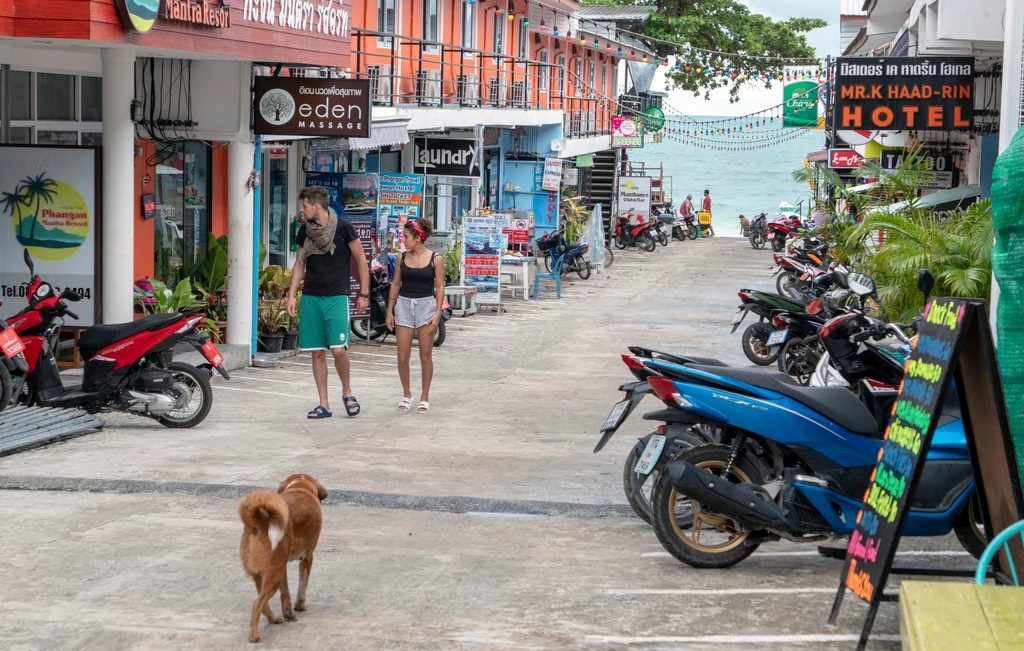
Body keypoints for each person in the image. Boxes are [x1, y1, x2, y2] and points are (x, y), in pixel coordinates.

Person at [287, 185, 370, 420]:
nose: (301, 210)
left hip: (337, 296)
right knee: (316, 353)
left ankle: (347, 392)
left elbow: (361, 260)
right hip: (312, 295)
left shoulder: (344, 228)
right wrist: (292, 295)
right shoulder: (305, 232)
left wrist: (363, 294)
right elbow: (299, 264)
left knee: (337, 350)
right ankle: (324, 404)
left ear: (316, 206)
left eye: (304, 205)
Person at [385, 217, 446, 414]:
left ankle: (424, 397)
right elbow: (395, 284)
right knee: (402, 356)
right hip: (404, 306)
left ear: (418, 238)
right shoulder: (402, 257)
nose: (403, 240)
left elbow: (439, 286)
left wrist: (438, 314)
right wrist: (389, 310)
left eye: (406, 236)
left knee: (425, 356)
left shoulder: (436, 259)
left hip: (426, 306)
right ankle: (407, 393)